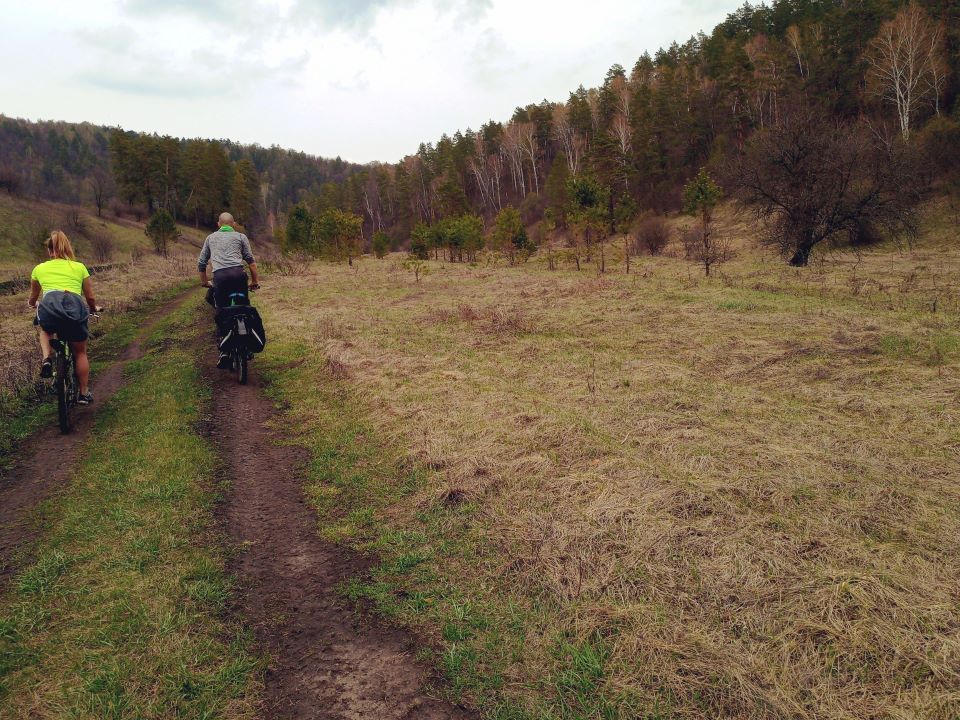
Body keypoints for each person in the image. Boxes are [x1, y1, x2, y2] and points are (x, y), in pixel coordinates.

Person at [27, 231, 100, 405]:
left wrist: (32, 303)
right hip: (74, 308)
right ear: (68, 247)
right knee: (80, 352)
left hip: (50, 308)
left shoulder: (39, 268)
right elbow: (90, 297)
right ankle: (83, 393)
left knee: (45, 329)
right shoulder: (79, 267)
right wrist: (92, 309)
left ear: (49, 250)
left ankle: (46, 359)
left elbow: (33, 296)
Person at [197, 212, 260, 368]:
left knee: (221, 309)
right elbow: (251, 262)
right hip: (239, 276)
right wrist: (255, 282)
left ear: (218, 224)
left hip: (220, 278)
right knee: (244, 306)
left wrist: (205, 282)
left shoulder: (211, 238)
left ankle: (224, 351)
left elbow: (201, 263)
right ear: (233, 224)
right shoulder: (240, 237)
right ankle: (247, 345)